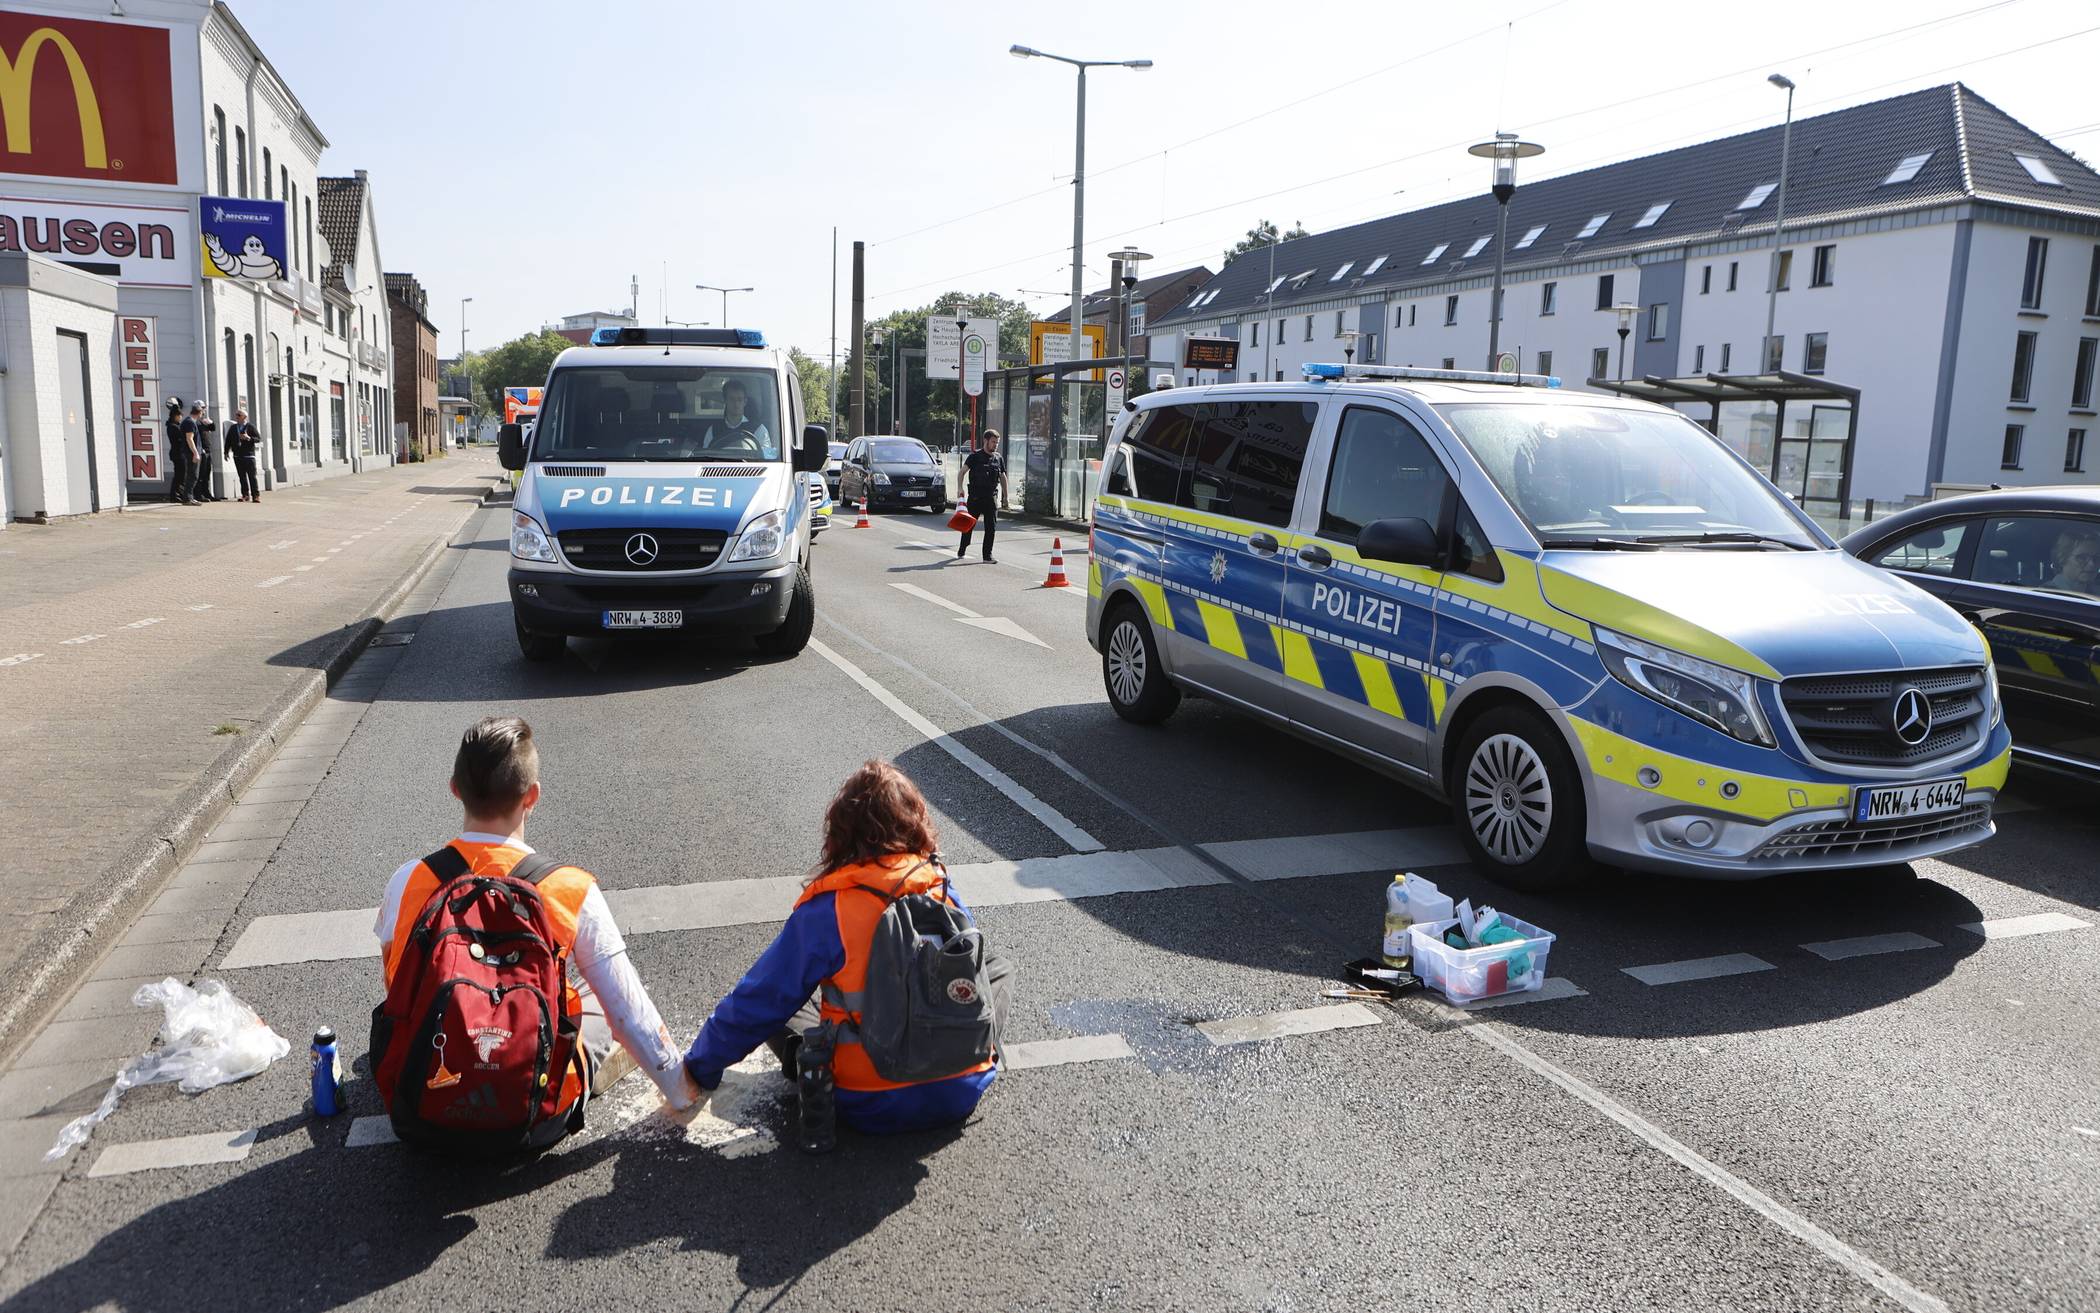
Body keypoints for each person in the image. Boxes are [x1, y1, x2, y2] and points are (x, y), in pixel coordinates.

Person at [375, 717, 699, 1138]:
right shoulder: (568, 888)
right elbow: (630, 1009)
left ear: (455, 789)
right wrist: (682, 1093)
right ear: (532, 797)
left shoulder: (407, 880)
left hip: (420, 1111)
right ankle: (573, 1070)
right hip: (536, 1119)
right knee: (596, 999)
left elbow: (395, 980)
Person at [683, 760, 996, 1136]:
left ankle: (811, 1066)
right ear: (915, 823)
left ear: (842, 834)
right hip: (959, 1092)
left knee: (784, 1004)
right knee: (992, 967)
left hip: (868, 1101)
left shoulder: (830, 907)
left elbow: (758, 1000)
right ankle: (977, 1051)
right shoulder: (941, 885)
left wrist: (699, 1067)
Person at [956, 428, 1009, 563]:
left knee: (991, 527)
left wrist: (1005, 497)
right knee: (968, 526)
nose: (995, 445)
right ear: (986, 441)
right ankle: (963, 547)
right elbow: (962, 472)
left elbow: (1003, 477)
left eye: (997, 443)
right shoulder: (975, 456)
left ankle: (987, 556)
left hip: (991, 498)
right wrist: (959, 488)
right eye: (993, 442)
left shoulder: (998, 458)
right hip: (975, 498)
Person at [704, 378, 769, 453]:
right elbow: (706, 456)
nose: (736, 404)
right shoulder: (713, 430)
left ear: (745, 402)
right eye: (732, 399)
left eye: (739, 399)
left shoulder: (759, 430)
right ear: (725, 401)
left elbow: (765, 458)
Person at [2042, 527, 2100, 595]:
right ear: (2062, 559)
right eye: (2082, 557)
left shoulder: (2096, 593)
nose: (2092, 564)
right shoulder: (2047, 595)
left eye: (2097, 557)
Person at [164, 397, 198, 505]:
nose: (181, 418)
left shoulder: (174, 426)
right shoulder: (173, 427)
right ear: (175, 416)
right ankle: (175, 495)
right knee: (180, 475)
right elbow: (180, 439)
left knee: (181, 474)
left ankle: (178, 494)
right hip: (177, 453)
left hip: (178, 453)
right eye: (180, 416)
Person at [225, 408, 263, 503]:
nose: (236, 417)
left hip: (249, 456)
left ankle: (256, 495)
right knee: (242, 476)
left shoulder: (250, 427)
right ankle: (245, 495)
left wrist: (249, 438)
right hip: (238, 455)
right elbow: (228, 440)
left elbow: (258, 439)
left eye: (239, 415)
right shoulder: (233, 428)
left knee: (252, 476)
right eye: (236, 415)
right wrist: (226, 452)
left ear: (245, 417)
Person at [189, 403, 220, 502]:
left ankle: (207, 493)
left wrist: (210, 423)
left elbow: (213, 428)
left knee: (206, 474)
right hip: (201, 450)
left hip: (207, 449)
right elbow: (194, 437)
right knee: (200, 474)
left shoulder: (203, 422)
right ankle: (199, 494)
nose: (204, 411)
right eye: (202, 409)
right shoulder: (195, 423)